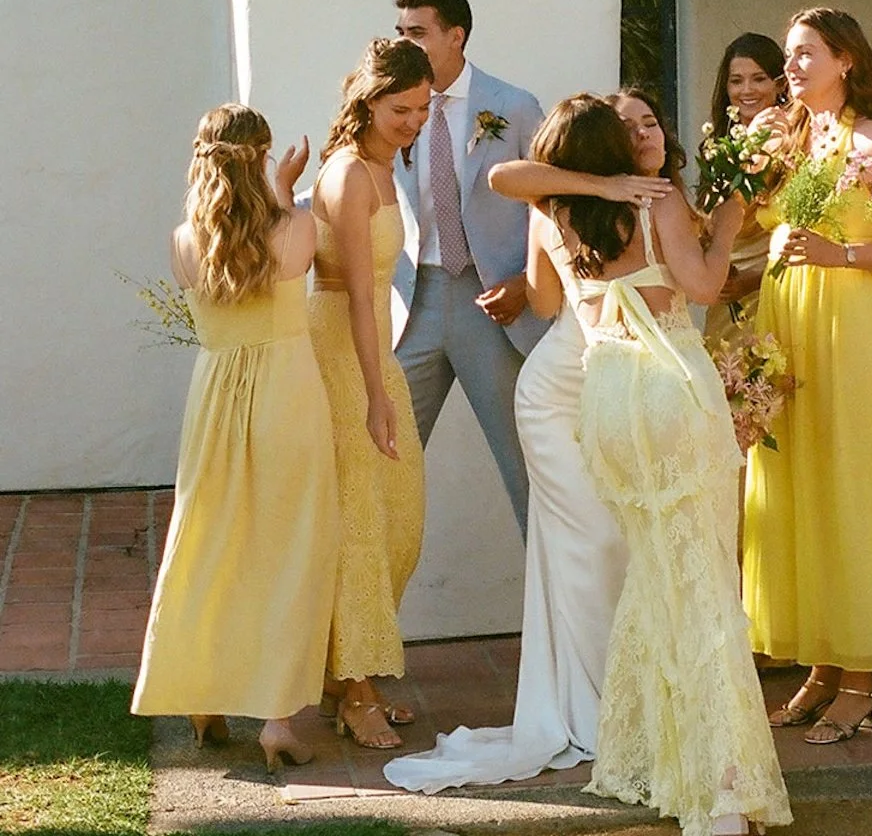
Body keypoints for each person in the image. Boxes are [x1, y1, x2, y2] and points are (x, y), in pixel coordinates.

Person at [384, 130, 671, 796]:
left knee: (609, 543)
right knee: (587, 544)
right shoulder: (553, 208)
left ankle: (614, 692)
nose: (639, 136)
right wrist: (591, 197)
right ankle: (584, 707)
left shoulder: (646, 209)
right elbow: (541, 291)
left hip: (610, 390)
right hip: (551, 396)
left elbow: (546, 299)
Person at [540, 95, 791, 836]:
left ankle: (664, 763)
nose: (644, 136)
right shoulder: (657, 203)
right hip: (669, 390)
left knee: (657, 579)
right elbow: (705, 286)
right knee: (705, 584)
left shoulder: (556, 210)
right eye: (629, 129)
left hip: (608, 398)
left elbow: (540, 285)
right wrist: (731, 220)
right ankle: (724, 792)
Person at [131, 105, 337, 772]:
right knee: (287, 548)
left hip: (215, 397)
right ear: (263, 156)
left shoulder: (182, 241)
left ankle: (203, 695)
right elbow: (291, 256)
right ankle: (277, 718)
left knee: (212, 541)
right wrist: (284, 190)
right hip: (286, 396)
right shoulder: (296, 226)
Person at [745, 9, 872, 744]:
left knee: (850, 489)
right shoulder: (789, 137)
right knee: (801, 489)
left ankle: (861, 682)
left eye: (805, 54)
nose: (790, 67)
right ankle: (821, 665)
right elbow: (756, 225)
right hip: (785, 325)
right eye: (788, 55)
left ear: (846, 59)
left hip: (849, 330)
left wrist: (841, 255)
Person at [310, 39, 431, 750]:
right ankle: (354, 690)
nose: (412, 121)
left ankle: (345, 670)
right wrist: (374, 393)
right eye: (399, 109)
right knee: (360, 517)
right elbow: (358, 295)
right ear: (367, 102)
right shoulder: (350, 174)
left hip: (371, 352)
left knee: (398, 517)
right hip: (341, 352)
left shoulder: (386, 166)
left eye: (421, 109)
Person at [392, 0, 546, 538]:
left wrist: (528, 282)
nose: (404, 43)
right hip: (414, 303)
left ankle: (551, 593)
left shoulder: (512, 106)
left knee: (528, 470)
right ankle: (369, 591)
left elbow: (553, 205)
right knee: (385, 461)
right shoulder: (388, 109)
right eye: (400, 32)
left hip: (497, 305)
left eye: (417, 32)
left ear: (455, 36)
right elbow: (346, 181)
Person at [702, 35, 786, 347]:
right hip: (726, 285)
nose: (747, 90)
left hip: (774, 283)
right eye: (736, 81)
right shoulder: (717, 144)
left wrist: (753, 280)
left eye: (759, 79)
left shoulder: (792, 139)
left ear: (780, 84)